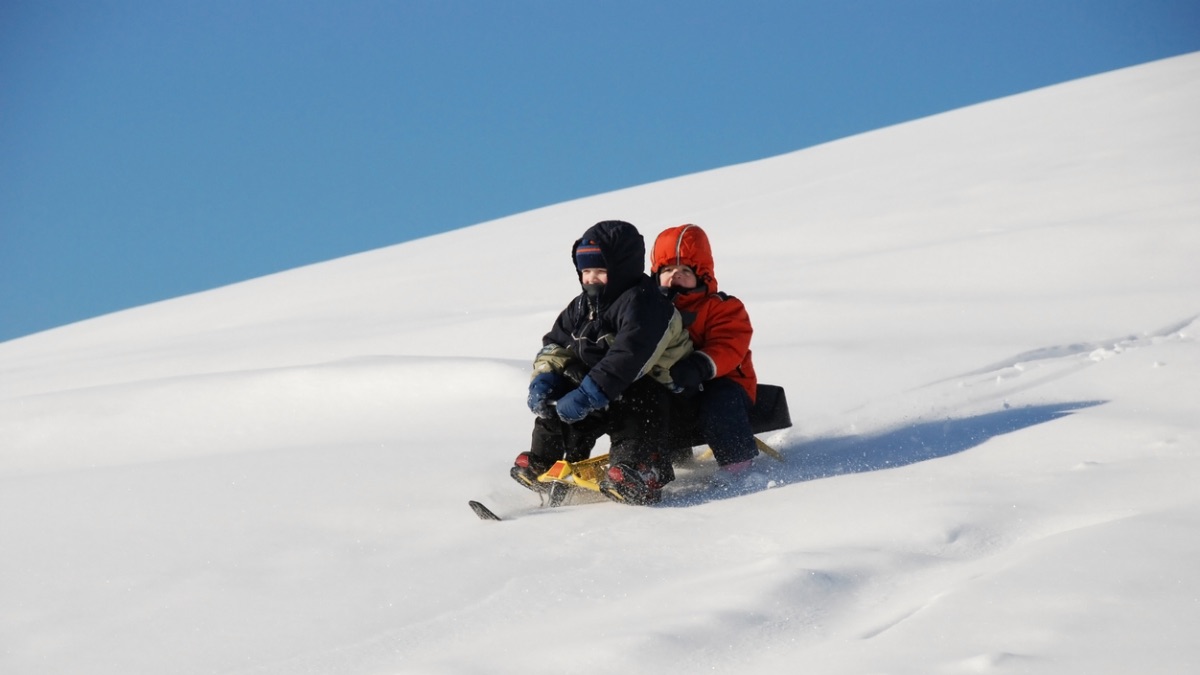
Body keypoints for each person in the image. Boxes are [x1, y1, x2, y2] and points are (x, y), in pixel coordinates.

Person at [513, 220, 692, 505]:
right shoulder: (582, 306)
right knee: (561, 391)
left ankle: (641, 468)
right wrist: (544, 378)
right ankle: (544, 460)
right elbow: (556, 344)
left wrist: (589, 394)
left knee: (639, 398)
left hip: (667, 391)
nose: (591, 278)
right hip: (604, 387)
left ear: (621, 269)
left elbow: (630, 357)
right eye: (585, 271)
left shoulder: (645, 303)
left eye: (600, 270)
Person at [651, 223, 760, 478]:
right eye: (667, 269)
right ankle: (655, 461)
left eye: (685, 270)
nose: (675, 275)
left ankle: (737, 465)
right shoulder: (649, 312)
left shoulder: (722, 307)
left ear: (702, 275)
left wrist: (700, 365)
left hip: (724, 382)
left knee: (720, 401)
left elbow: (730, 344)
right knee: (649, 401)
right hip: (673, 384)